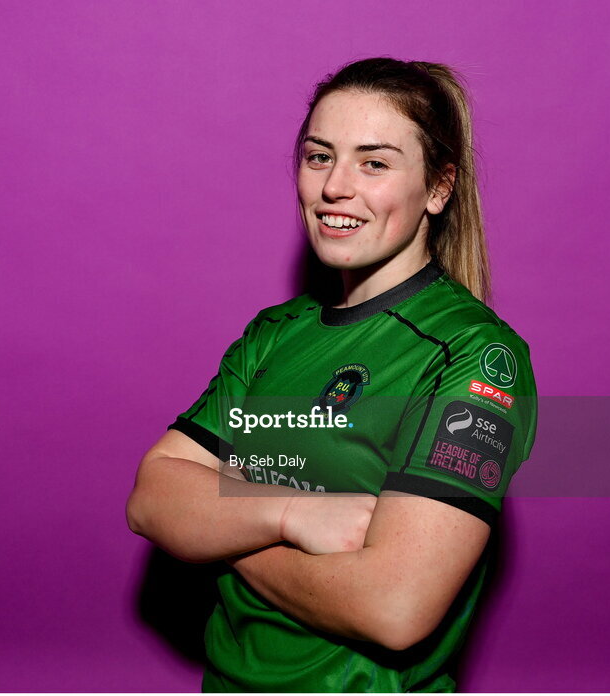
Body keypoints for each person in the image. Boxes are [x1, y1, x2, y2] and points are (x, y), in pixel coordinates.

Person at [126, 57, 538, 693]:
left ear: (437, 188)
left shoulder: (473, 356)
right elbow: (153, 498)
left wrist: (225, 534)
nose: (334, 187)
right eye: (320, 156)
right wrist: (291, 514)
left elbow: (393, 607)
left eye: (374, 163)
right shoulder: (274, 334)